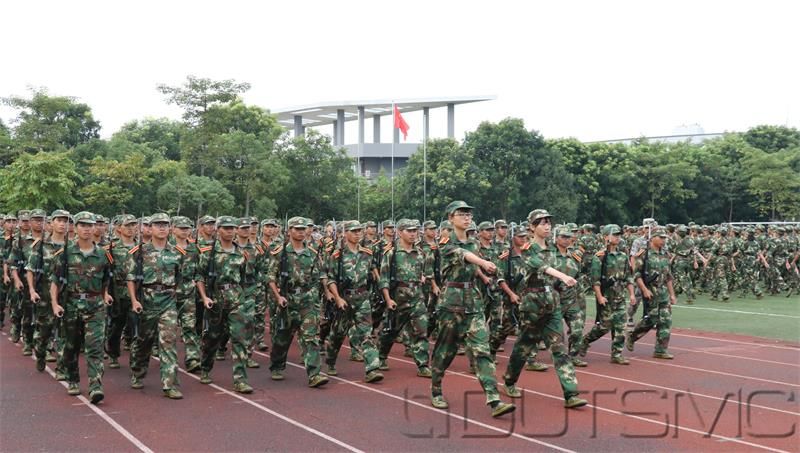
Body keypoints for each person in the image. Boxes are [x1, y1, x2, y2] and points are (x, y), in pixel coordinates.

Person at [429, 200, 515, 418]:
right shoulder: (445, 240)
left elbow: (473, 264)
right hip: (451, 301)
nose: (467, 217)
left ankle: (494, 398)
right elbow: (463, 255)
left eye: (469, 214)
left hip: (473, 301)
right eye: (461, 214)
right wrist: (483, 263)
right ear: (450, 218)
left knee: (481, 350)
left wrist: (485, 274)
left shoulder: (474, 242)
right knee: (445, 351)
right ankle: (436, 389)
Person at [500, 209, 587, 409]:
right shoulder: (528, 247)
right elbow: (542, 267)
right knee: (523, 346)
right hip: (532, 304)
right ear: (532, 227)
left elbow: (562, 272)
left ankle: (571, 394)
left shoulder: (553, 249)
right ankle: (509, 381)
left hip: (552, 303)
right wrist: (563, 276)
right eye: (541, 223)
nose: (547, 226)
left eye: (549, 222)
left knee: (559, 349)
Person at [49, 211, 114, 403]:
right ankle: (74, 380)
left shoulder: (103, 255)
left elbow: (106, 280)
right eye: (82, 225)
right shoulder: (65, 254)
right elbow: (55, 282)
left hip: (95, 307)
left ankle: (95, 386)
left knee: (95, 347)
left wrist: (106, 295)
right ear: (75, 228)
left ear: (95, 228)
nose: (86, 229)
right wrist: (55, 304)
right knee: (71, 346)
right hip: (71, 305)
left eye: (90, 225)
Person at [126, 213, 184, 399]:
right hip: (146, 300)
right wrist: (134, 300)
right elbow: (131, 278)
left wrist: (173, 294)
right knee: (144, 342)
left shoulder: (176, 252)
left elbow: (179, 278)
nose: (162, 228)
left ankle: (170, 384)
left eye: (165, 225)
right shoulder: (139, 251)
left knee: (168, 342)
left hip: (167, 300)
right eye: (158, 225)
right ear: (150, 228)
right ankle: (138, 371)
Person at [267, 216, 329, 388]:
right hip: (287, 300)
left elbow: (320, 276)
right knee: (282, 338)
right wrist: (278, 296)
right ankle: (277, 365)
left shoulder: (313, 253)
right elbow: (270, 277)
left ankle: (314, 374)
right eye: (297, 229)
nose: (301, 232)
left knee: (310, 338)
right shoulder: (280, 252)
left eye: (303, 229)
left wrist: (323, 295)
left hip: (308, 301)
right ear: (290, 231)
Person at [196, 216, 254, 394]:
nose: (230, 231)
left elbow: (246, 278)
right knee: (212, 338)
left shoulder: (242, 253)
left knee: (239, 338)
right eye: (226, 228)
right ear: (218, 230)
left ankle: (240, 379)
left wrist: (245, 298)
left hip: (236, 299)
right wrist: (205, 297)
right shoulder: (208, 252)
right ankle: (205, 367)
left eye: (232, 228)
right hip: (216, 300)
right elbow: (199, 276)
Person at [325, 220, 383, 383]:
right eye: (354, 231)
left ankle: (372, 368)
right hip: (344, 298)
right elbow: (330, 280)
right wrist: (337, 298)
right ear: (346, 233)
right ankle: (330, 361)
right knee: (338, 334)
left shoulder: (367, 253)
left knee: (366, 333)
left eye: (359, 231)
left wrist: (379, 286)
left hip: (362, 298)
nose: (358, 233)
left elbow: (373, 271)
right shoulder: (337, 255)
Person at [376, 219, 431, 377]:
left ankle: (422, 365)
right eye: (409, 231)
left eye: (415, 231)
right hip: (398, 297)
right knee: (391, 331)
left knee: (421, 331)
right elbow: (384, 279)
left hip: (417, 297)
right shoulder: (391, 254)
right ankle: (381, 356)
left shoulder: (420, 253)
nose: (413, 234)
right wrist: (388, 299)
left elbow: (424, 273)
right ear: (400, 232)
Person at [579, 224, 636, 365]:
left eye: (619, 235)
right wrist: (599, 296)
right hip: (606, 297)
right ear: (606, 237)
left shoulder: (623, 256)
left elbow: (628, 277)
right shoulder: (600, 257)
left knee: (621, 327)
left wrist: (632, 294)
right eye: (614, 234)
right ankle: (585, 340)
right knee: (604, 326)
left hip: (620, 297)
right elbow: (595, 280)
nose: (618, 237)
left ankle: (616, 354)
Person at [626, 227, 678, 359]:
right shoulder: (644, 254)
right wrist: (644, 290)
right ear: (653, 238)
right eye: (661, 238)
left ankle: (660, 350)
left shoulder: (665, 254)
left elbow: (668, 276)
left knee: (666, 320)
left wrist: (672, 294)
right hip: (650, 290)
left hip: (663, 292)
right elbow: (637, 275)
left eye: (664, 238)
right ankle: (632, 336)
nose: (663, 240)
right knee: (651, 319)